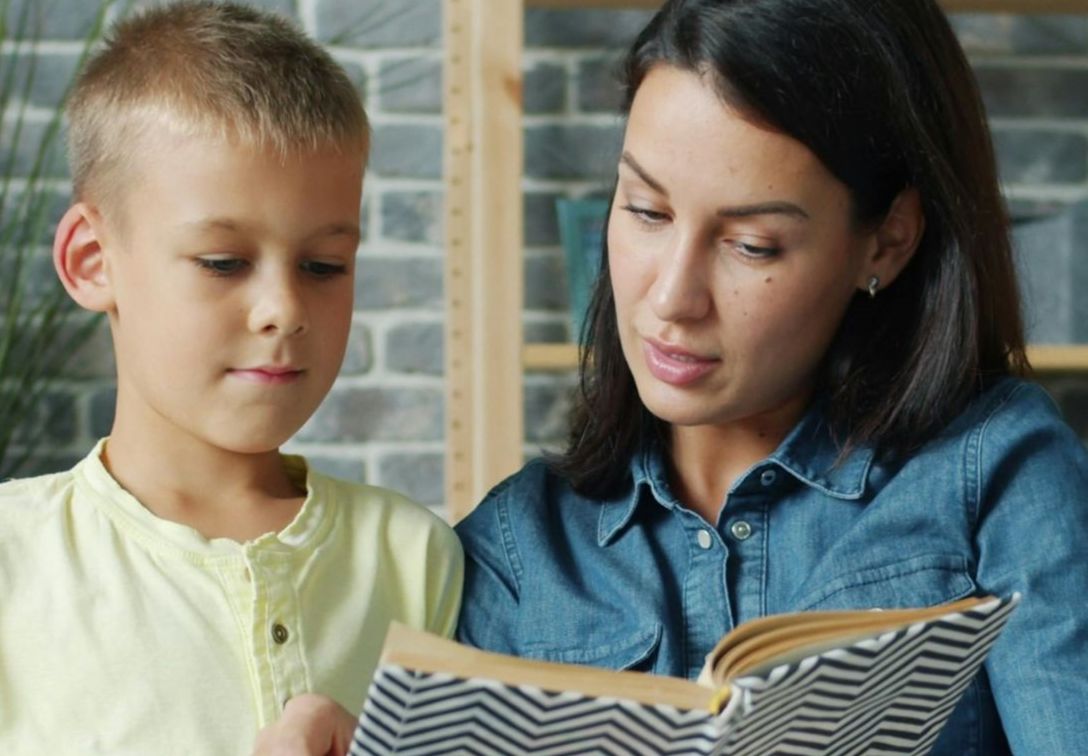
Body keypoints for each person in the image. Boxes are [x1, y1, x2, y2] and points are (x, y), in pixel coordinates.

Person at [256, 0, 1088, 753]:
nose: (670, 296)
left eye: (752, 244)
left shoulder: (998, 474)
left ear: (888, 241)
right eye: (646, 211)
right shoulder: (519, 553)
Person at [0, 3, 462, 754]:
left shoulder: (416, 559)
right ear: (92, 260)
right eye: (223, 262)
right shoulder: (13, 561)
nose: (283, 309)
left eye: (323, 266)